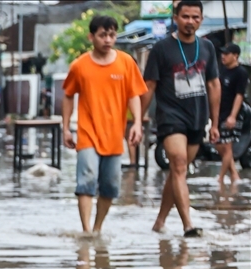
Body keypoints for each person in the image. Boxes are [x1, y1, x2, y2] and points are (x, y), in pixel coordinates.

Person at [142, 0, 220, 237]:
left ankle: (160, 221)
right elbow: (150, 84)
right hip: (170, 116)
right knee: (177, 163)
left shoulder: (207, 48)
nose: (190, 22)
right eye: (185, 17)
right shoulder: (161, 48)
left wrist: (215, 123)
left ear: (201, 20)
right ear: (175, 18)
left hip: (197, 118)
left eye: (195, 17)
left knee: (179, 171)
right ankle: (188, 224)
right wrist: (138, 119)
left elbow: (214, 84)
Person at [62, 15, 146, 233]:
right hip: (87, 132)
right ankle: (86, 230)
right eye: (102, 35)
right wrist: (65, 129)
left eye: (112, 35)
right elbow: (68, 95)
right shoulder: (80, 66)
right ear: (92, 37)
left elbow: (133, 95)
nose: (107, 39)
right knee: (87, 179)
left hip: (114, 135)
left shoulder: (126, 62)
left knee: (110, 187)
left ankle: (97, 228)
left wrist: (137, 123)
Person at [215, 43, 248, 186]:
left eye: (227, 54)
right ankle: (234, 175)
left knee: (227, 146)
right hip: (221, 112)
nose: (223, 56)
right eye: (223, 53)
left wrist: (233, 116)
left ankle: (221, 178)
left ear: (235, 56)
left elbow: (239, 95)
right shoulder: (223, 70)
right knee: (218, 144)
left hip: (233, 113)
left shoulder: (241, 72)